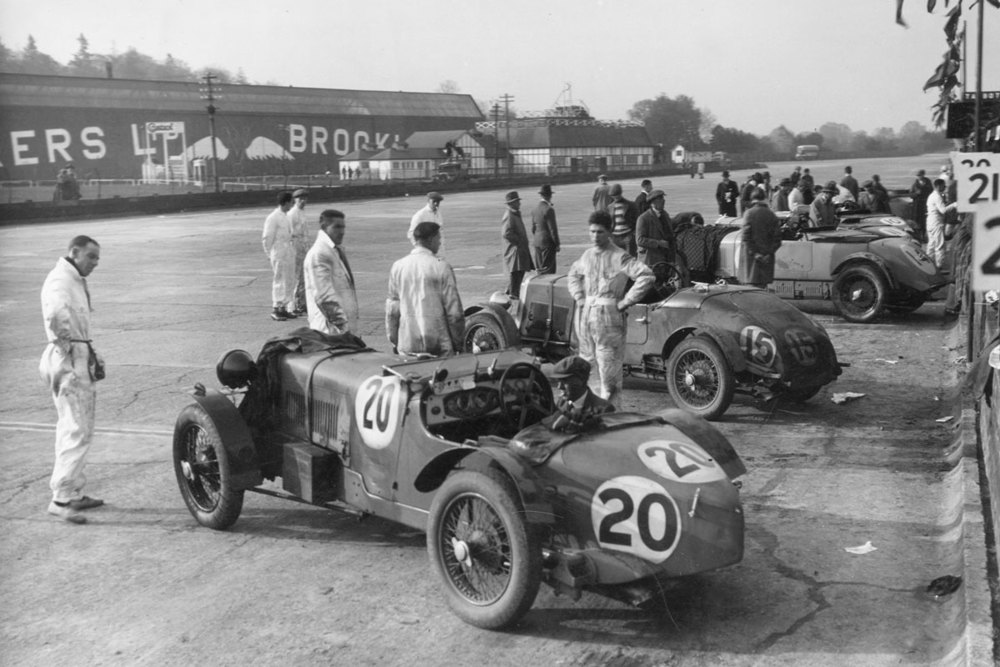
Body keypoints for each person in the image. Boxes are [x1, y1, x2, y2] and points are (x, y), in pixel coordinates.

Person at [39, 236, 105, 524]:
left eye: (97, 259)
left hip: (76, 354)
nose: (94, 264)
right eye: (90, 257)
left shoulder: (73, 279)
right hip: (69, 359)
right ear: (74, 252)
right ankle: (62, 497)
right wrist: (68, 349)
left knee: (75, 426)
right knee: (77, 428)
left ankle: (73, 491)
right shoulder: (61, 280)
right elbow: (55, 315)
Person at [567, 211, 655, 409]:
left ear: (609, 232)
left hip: (608, 320)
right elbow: (573, 274)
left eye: (600, 232)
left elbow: (646, 276)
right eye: (592, 232)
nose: (595, 236)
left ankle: (610, 417)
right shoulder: (587, 255)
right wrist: (580, 297)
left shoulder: (620, 257)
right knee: (587, 368)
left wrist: (626, 301)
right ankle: (589, 413)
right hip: (586, 318)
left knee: (609, 375)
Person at [386, 221, 465, 356]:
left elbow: (392, 311)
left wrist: (394, 340)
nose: (440, 243)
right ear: (431, 239)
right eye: (438, 238)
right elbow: (454, 313)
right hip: (438, 344)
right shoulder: (441, 267)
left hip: (407, 343)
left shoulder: (398, 267)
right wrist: (458, 344)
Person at [303, 209, 359, 335]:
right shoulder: (319, 253)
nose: (342, 232)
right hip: (330, 331)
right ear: (324, 226)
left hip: (340, 330)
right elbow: (324, 297)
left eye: (343, 227)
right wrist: (345, 329)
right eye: (337, 227)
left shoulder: (333, 250)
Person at [543, 356, 615, 433]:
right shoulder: (561, 403)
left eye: (564, 382)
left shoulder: (604, 409)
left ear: (581, 380)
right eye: (558, 382)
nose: (559, 387)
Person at [262, 191, 297, 321]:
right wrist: (269, 254)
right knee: (280, 280)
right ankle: (276, 308)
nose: (292, 205)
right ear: (286, 202)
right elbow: (267, 237)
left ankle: (284, 307)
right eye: (291, 202)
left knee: (289, 279)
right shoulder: (273, 217)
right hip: (278, 251)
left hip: (288, 250)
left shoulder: (286, 216)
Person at [740, 190, 783, 288]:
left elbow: (745, 238)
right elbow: (777, 240)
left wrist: (756, 254)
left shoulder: (749, 213)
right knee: (762, 290)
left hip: (752, 261)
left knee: (751, 292)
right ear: (764, 198)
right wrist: (768, 254)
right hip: (767, 260)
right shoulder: (771, 215)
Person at [501, 191, 533, 298]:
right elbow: (506, 233)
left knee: (516, 280)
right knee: (515, 281)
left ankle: (508, 296)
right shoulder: (509, 215)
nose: (519, 203)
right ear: (512, 203)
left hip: (519, 253)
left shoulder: (514, 214)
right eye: (517, 202)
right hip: (515, 254)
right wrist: (519, 241)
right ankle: (511, 300)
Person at [635, 189, 676, 269]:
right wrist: (658, 243)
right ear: (653, 203)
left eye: (663, 198)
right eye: (660, 198)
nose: (663, 201)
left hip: (665, 260)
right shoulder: (643, 218)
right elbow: (639, 240)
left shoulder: (665, 215)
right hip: (650, 261)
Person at [287, 188, 311, 315]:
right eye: (300, 198)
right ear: (295, 200)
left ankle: (301, 302)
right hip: (295, 247)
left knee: (303, 277)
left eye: (305, 198)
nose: (303, 201)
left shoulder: (302, 212)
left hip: (304, 246)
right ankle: (293, 305)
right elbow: (289, 234)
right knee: (296, 277)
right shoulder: (292, 214)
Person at [926, 178, 958, 269]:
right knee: (940, 245)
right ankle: (939, 266)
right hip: (937, 222)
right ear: (938, 186)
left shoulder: (931, 195)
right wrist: (954, 205)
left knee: (931, 244)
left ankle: (928, 264)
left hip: (930, 222)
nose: (945, 187)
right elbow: (943, 211)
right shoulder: (937, 196)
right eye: (943, 185)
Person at [531, 184, 560, 274]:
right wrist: (557, 244)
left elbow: (533, 228)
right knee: (548, 271)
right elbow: (553, 230)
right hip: (547, 243)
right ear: (550, 196)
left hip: (537, 242)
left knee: (540, 269)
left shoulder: (535, 209)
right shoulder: (549, 209)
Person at [606, 183, 638, 255]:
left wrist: (633, 234)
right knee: (617, 260)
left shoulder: (630, 205)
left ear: (620, 193)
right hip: (615, 238)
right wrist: (610, 236)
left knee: (630, 259)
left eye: (617, 195)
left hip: (628, 237)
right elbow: (608, 222)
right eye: (613, 196)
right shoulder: (610, 207)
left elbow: (637, 220)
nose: (615, 198)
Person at [910, 169, 934, 243]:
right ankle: (918, 236)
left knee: (925, 220)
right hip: (917, 205)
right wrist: (916, 194)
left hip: (925, 204)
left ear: (923, 175)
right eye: (917, 176)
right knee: (917, 221)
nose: (919, 177)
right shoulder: (914, 185)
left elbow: (931, 192)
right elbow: (911, 195)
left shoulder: (928, 183)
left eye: (920, 175)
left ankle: (923, 235)